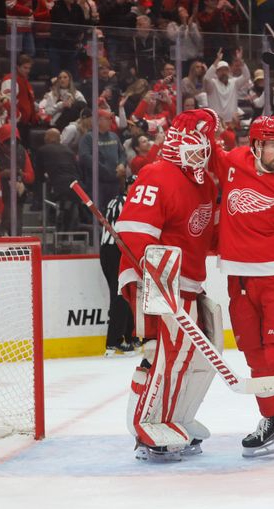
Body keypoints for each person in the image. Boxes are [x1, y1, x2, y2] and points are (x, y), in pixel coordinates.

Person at [115, 109, 220, 462]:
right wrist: (155, 274)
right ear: (176, 142)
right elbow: (132, 233)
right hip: (154, 278)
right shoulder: (156, 173)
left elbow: (211, 237)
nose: (202, 151)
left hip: (187, 280)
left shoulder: (205, 182)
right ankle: (148, 423)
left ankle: (177, 418)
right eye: (195, 143)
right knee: (166, 352)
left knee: (200, 353)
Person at [209, 115, 274, 464]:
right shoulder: (234, 163)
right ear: (255, 146)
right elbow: (208, 151)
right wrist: (202, 120)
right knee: (256, 358)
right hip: (238, 279)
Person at [101, 174, 136, 357]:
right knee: (120, 294)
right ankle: (114, 341)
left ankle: (131, 336)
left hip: (116, 251)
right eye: (132, 185)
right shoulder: (122, 202)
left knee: (127, 292)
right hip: (114, 251)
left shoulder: (122, 201)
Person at [0, 124, 34, 236]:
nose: (11, 147)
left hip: (16, 199)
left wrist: (20, 174)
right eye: (7, 143)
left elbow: (31, 177)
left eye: (15, 143)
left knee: (16, 232)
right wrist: (1, 174)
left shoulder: (22, 151)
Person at [78, 110, 127, 211]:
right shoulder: (88, 138)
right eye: (108, 119)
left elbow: (122, 153)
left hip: (114, 182)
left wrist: (122, 164)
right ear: (98, 121)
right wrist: (106, 171)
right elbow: (85, 157)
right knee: (98, 212)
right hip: (97, 183)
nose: (111, 122)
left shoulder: (114, 136)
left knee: (114, 210)